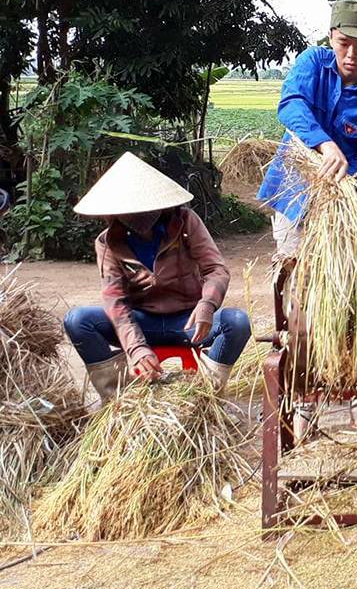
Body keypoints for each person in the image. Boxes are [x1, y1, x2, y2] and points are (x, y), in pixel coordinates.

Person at [257, 0, 357, 439]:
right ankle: (304, 406)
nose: (352, 55)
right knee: (302, 302)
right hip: (296, 199)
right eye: (344, 43)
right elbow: (291, 106)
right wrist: (326, 145)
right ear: (331, 39)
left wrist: (344, 176)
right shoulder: (312, 65)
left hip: (348, 209)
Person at [63, 152, 251, 403]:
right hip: (142, 322)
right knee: (78, 320)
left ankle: (206, 397)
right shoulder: (107, 242)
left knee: (236, 322)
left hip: (189, 322)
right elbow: (115, 301)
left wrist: (207, 305)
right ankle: (120, 400)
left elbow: (216, 269)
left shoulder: (185, 223)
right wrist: (136, 347)